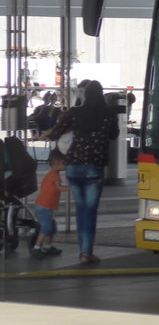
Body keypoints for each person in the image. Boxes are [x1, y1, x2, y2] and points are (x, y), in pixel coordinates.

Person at [43, 80, 118, 265]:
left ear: (84, 95)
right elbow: (114, 135)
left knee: (81, 209)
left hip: (74, 167)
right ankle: (86, 252)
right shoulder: (108, 114)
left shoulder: (75, 112)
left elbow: (56, 133)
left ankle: (83, 250)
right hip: (94, 168)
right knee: (90, 212)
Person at [31, 149, 66, 258]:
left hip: (45, 206)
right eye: (65, 163)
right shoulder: (54, 176)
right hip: (44, 207)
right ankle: (36, 248)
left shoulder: (52, 174)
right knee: (46, 228)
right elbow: (59, 188)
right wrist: (73, 188)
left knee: (51, 227)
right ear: (56, 163)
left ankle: (47, 246)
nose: (66, 165)